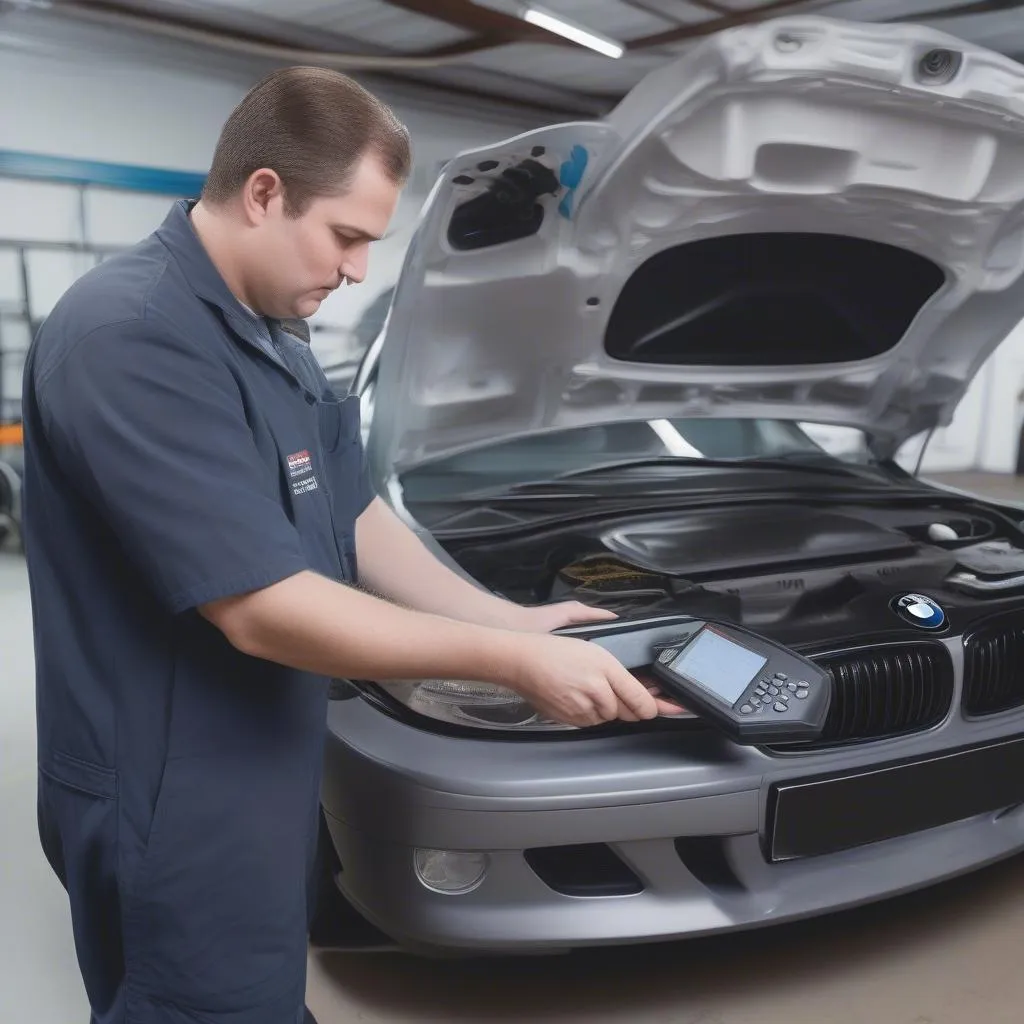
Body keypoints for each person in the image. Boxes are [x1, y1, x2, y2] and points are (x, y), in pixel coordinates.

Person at [21, 67, 678, 1024]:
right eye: (348, 237)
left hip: (260, 765)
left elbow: (355, 517)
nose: (359, 270)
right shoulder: (132, 337)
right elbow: (260, 607)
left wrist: (512, 617)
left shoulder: (273, 332)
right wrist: (511, 665)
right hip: (171, 798)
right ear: (263, 194)